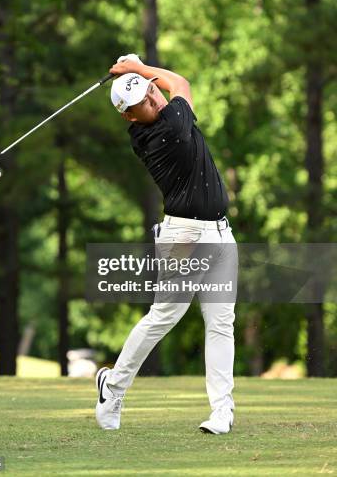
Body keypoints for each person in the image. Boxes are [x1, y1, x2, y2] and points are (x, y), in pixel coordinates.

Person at [95, 54, 237, 434]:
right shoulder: (164, 130)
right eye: (144, 100)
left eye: (151, 91)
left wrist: (141, 76)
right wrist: (140, 67)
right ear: (130, 116)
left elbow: (170, 88)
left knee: (221, 323)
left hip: (220, 233)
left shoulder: (160, 115)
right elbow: (183, 84)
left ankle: (222, 412)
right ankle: (114, 386)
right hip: (185, 237)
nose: (154, 99)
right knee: (164, 318)